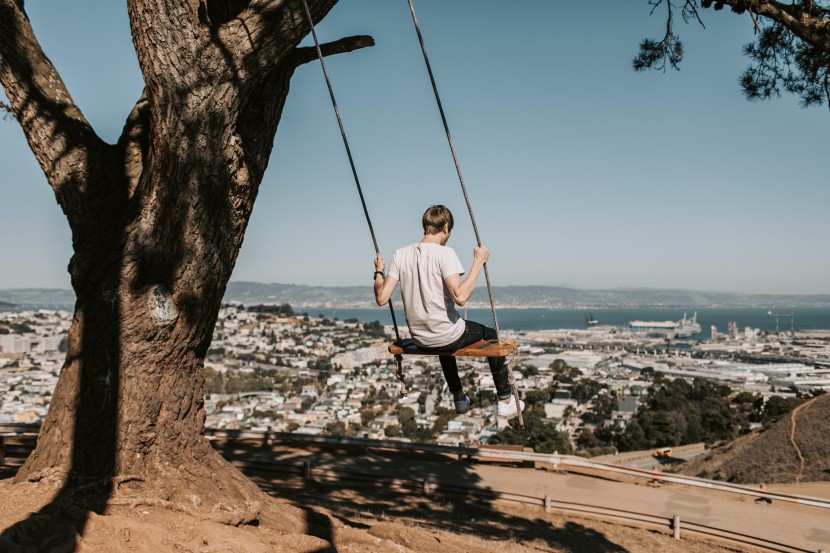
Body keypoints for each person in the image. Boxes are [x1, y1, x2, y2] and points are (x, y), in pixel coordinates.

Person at [373, 205, 524, 417]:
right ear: (445, 227)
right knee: (491, 335)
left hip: (420, 338)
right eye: (449, 231)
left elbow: (381, 298)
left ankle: (458, 396)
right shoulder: (445, 254)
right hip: (446, 335)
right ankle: (505, 399)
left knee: (445, 336)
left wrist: (379, 271)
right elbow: (461, 297)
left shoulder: (400, 254)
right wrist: (478, 262)